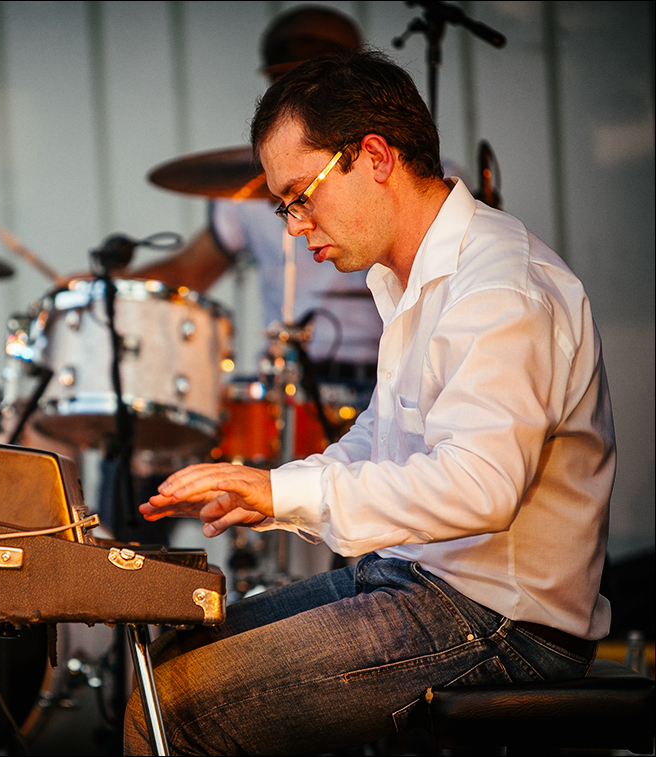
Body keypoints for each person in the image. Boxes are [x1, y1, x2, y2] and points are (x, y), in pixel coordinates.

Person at [124, 49, 615, 755]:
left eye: (301, 196)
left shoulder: (499, 288)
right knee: (166, 658)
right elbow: (382, 436)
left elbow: (480, 486)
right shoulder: (415, 276)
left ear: (376, 157)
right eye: (282, 206)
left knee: (169, 709)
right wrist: (267, 491)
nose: (294, 226)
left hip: (501, 620)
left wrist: (283, 491)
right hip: (422, 579)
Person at [131, 6, 381, 372]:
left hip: (384, 376)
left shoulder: (417, 173)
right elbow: (192, 271)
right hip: (288, 382)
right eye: (287, 84)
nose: (302, 98)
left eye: (318, 84)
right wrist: (110, 285)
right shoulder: (254, 185)